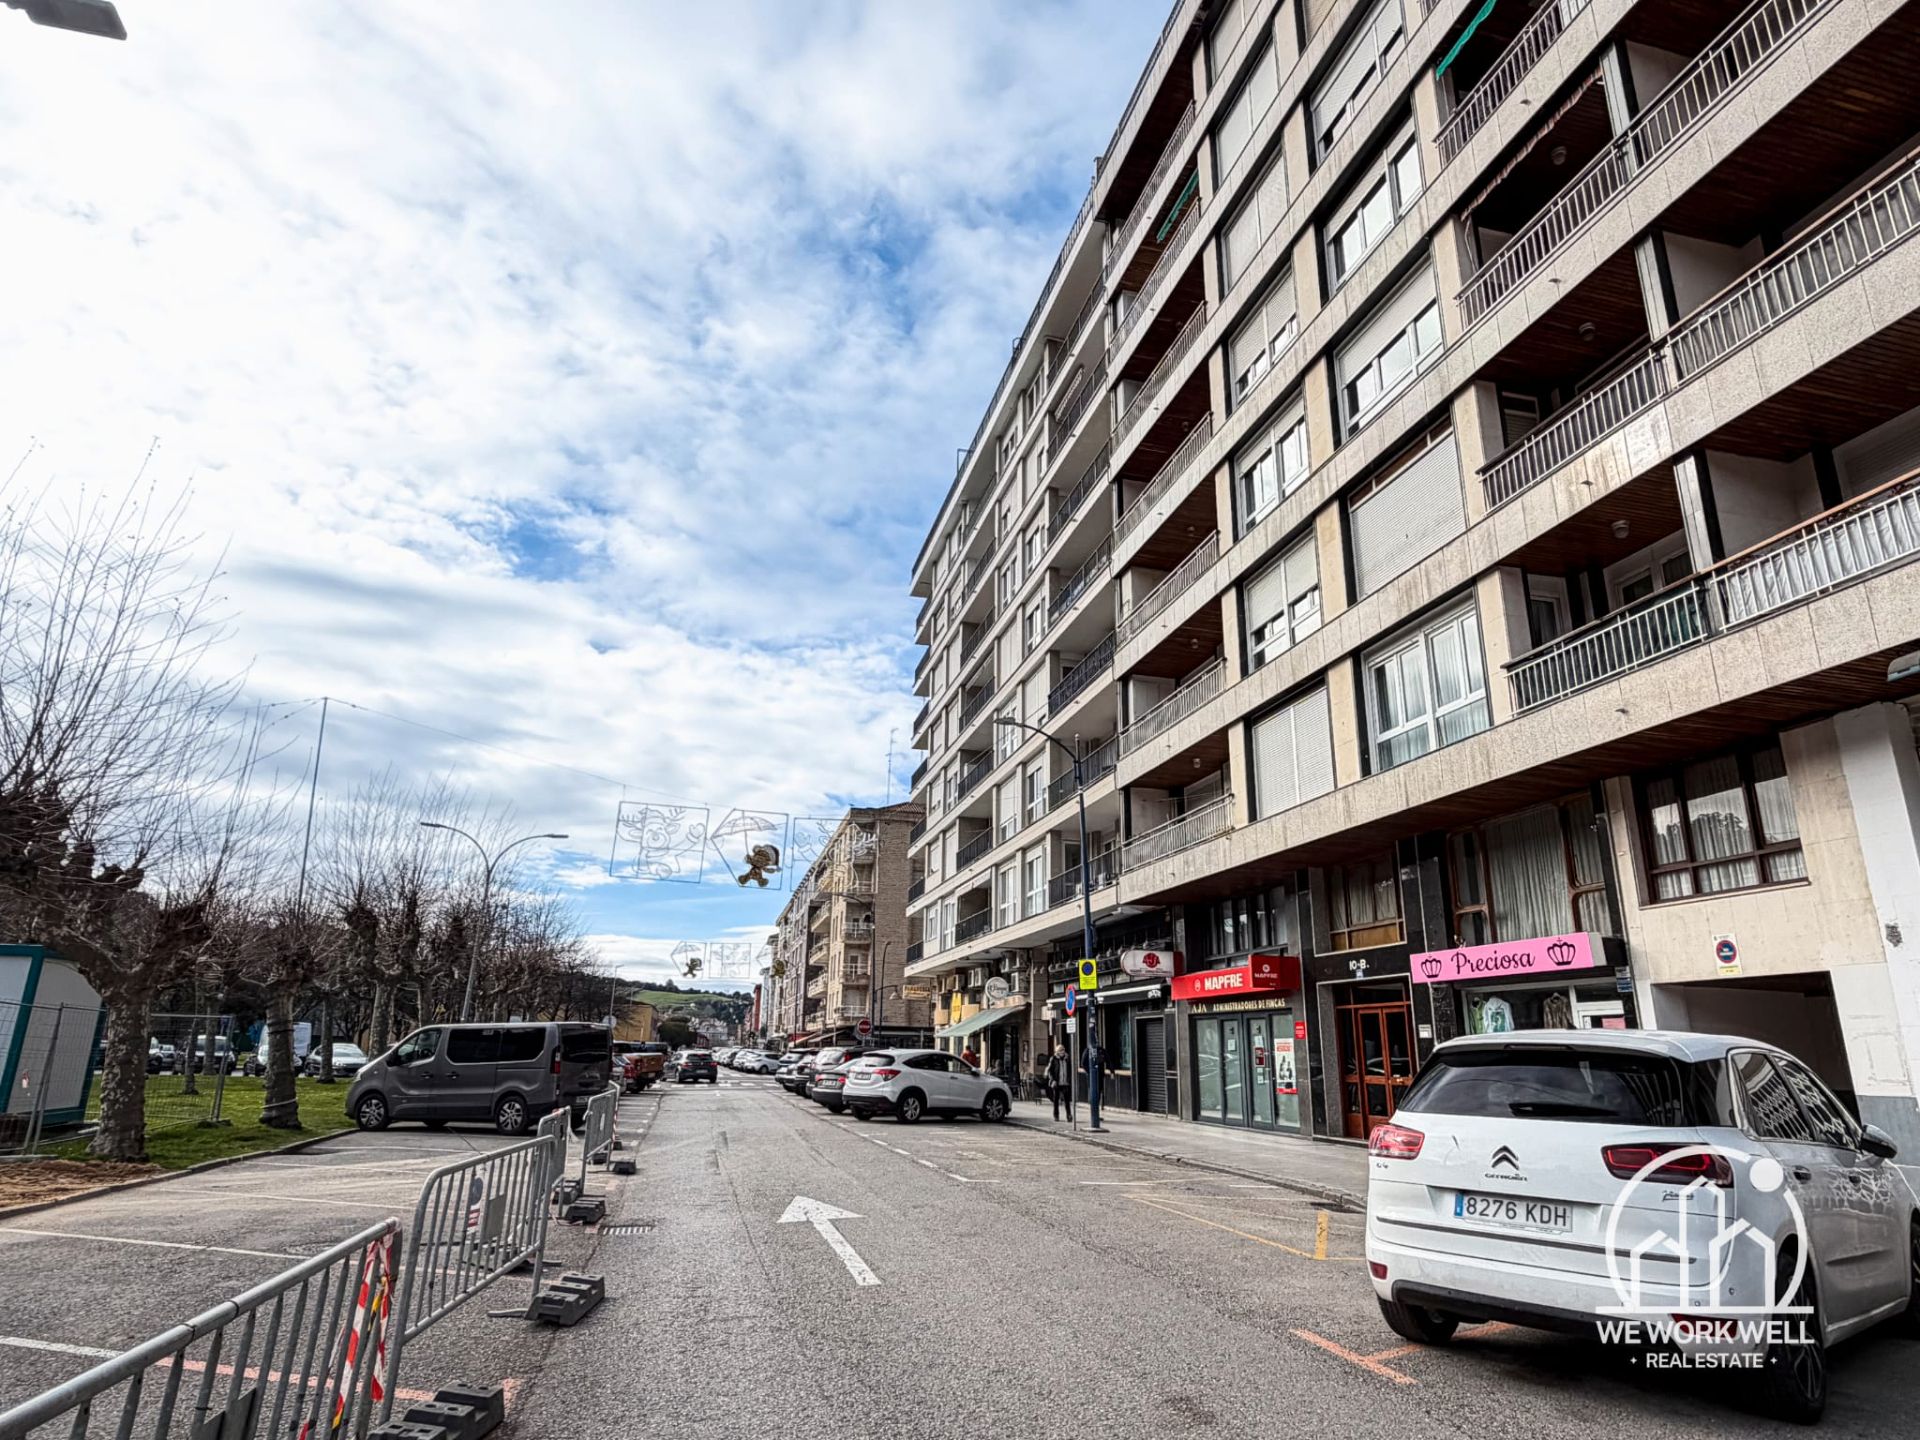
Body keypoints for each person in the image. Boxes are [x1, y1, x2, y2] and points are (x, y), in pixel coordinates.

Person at [1083, 1033, 1107, 1131]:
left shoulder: (1100, 1050)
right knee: (1093, 1094)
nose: (1096, 1042)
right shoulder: (1088, 1051)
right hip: (1092, 1077)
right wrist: (1089, 1072)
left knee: (1099, 1094)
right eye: (1095, 1040)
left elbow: (1108, 1059)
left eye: (1097, 1040)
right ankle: (1093, 1115)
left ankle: (1096, 1114)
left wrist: (1112, 1070)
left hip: (1100, 1076)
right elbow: (1083, 1063)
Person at [1044, 1042, 1074, 1122]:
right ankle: (1056, 1115)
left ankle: (1069, 1115)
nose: (1062, 1052)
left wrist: (1069, 1080)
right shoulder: (1053, 1059)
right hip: (1056, 1082)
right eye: (1060, 1050)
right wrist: (1052, 1080)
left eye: (1063, 1050)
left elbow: (1070, 1069)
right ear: (1057, 1052)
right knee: (1056, 1100)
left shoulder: (1067, 1058)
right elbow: (1050, 1070)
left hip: (1065, 1083)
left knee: (1067, 1101)